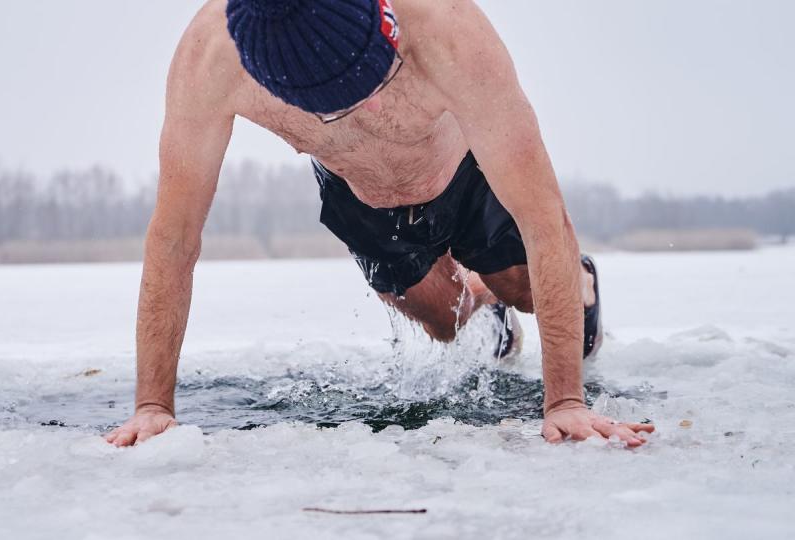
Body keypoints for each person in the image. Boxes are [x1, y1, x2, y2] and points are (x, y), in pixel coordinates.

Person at [105, 0, 655, 448]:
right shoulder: (211, 56)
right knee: (445, 320)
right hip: (358, 192)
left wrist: (564, 402)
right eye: (331, 111)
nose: (360, 114)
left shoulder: (450, 32)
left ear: (384, 25)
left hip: (463, 169)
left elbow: (544, 222)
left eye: (368, 89)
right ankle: (483, 305)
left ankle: (574, 283)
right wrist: (152, 407)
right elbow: (174, 239)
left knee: (526, 285)